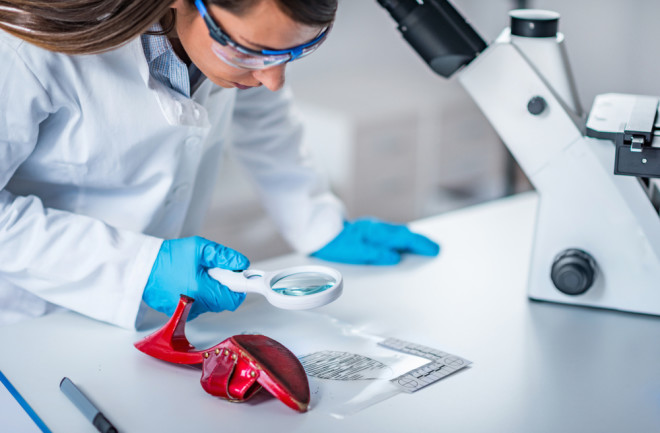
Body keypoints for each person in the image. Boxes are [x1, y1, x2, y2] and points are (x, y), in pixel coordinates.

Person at [0, 0, 439, 328]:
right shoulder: (22, 50)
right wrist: (136, 266)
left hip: (149, 321)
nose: (272, 79)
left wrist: (318, 223)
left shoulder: (243, 51)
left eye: (295, 51)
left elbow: (263, 117)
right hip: (31, 316)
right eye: (251, 52)